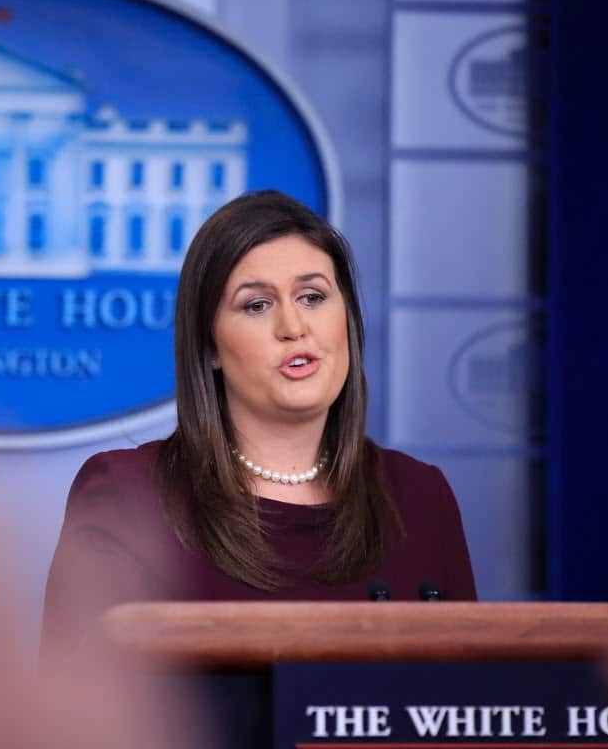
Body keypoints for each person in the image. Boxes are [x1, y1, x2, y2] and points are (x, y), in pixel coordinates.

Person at [41, 189, 477, 657]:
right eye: (257, 305)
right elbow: (73, 717)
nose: (293, 326)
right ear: (209, 348)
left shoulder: (418, 497)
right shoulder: (129, 497)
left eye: (313, 297)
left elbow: (472, 709)